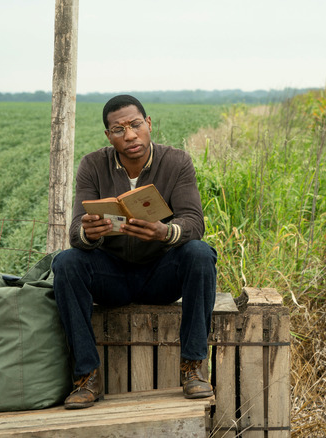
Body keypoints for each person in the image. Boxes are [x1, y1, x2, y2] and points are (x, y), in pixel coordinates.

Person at [51, 94, 217, 409]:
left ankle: (194, 366)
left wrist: (165, 232)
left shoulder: (176, 162)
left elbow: (194, 222)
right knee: (67, 262)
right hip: (111, 276)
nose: (129, 136)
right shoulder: (93, 165)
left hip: (160, 274)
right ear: (108, 136)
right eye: (118, 130)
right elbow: (75, 232)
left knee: (200, 253)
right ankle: (86, 376)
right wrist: (89, 233)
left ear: (148, 124)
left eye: (135, 125)